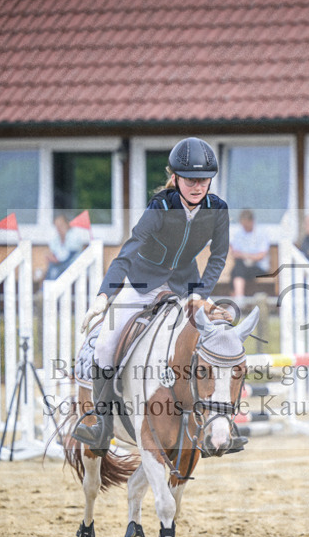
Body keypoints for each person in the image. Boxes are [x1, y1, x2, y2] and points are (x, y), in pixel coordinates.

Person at [73, 137, 230, 449]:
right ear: (175, 178)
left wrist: (200, 293)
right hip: (142, 285)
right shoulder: (159, 207)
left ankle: (212, 420)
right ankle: (102, 425)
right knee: (104, 346)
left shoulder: (218, 210)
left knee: (218, 336)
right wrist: (104, 297)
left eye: (203, 180)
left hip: (187, 287)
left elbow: (218, 257)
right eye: (190, 180)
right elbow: (127, 253)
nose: (198, 186)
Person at [228, 209, 270, 302]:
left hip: (259, 268)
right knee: (237, 268)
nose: (245, 227)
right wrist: (247, 256)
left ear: (252, 221)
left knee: (236, 270)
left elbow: (261, 256)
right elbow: (235, 253)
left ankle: (237, 301)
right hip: (243, 267)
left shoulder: (261, 234)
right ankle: (239, 299)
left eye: (246, 224)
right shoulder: (239, 234)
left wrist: (244, 255)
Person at [43, 214, 86, 281]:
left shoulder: (74, 237)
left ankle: (47, 290)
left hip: (72, 266)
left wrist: (57, 260)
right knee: (50, 268)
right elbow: (54, 253)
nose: (59, 228)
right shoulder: (56, 239)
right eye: (57, 226)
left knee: (54, 270)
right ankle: (44, 289)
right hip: (59, 265)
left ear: (67, 225)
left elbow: (70, 258)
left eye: (61, 225)